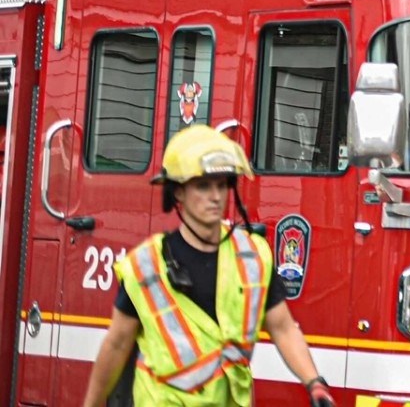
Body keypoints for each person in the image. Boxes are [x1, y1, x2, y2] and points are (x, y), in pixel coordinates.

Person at [81, 125, 333, 407]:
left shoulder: (252, 257)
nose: (215, 196)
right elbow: (117, 344)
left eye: (222, 185)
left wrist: (315, 383)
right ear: (178, 193)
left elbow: (283, 327)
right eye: (203, 186)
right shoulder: (146, 266)